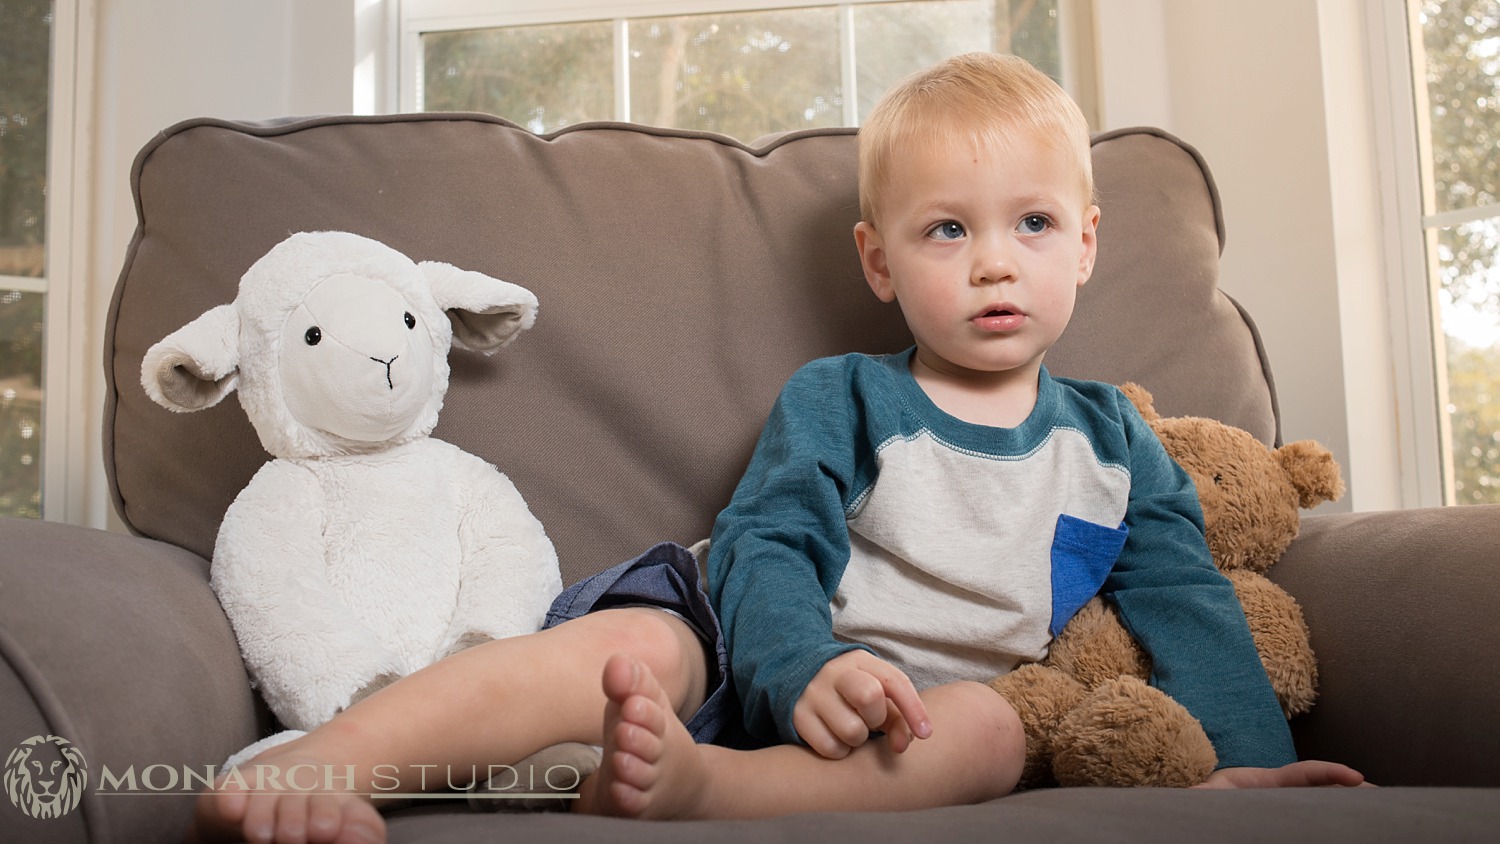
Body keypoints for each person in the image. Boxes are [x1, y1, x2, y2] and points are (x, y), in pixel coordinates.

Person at [192, 51, 1363, 844]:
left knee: (1000, 728)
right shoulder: (846, 396)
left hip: (908, 705)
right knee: (624, 648)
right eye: (948, 230)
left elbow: (1184, 595)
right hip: (736, 634)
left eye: (1033, 225)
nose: (995, 261)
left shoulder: (1115, 441)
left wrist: (1239, 759)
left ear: (1087, 246)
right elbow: (768, 544)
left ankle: (711, 792)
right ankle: (326, 764)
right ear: (880, 262)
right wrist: (802, 671)